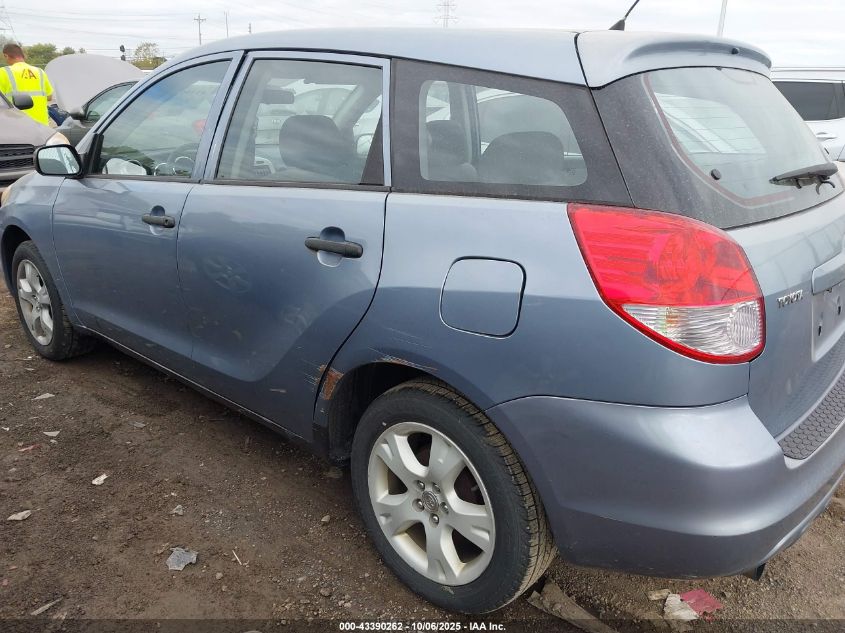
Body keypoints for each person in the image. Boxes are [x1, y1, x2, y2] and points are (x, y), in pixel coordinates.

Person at [0, 43, 53, 126]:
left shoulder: (3, 72)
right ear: (22, 56)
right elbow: (49, 97)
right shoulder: (40, 72)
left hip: (17, 125)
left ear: (6, 56)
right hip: (42, 126)